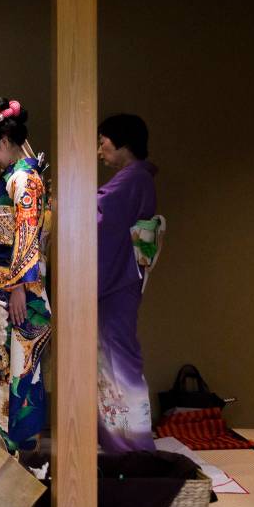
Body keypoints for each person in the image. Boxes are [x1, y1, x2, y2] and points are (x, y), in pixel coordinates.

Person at [0, 98, 52, 452]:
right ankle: (4, 439)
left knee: (19, 365)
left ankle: (18, 443)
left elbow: (27, 233)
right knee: (5, 359)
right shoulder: (14, 175)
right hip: (4, 283)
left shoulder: (24, 178)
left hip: (19, 286)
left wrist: (19, 287)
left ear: (4, 141)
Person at [97, 113, 159, 453]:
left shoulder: (132, 178)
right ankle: (119, 439)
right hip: (121, 277)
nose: (99, 150)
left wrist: (67, 206)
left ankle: (134, 443)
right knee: (112, 356)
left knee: (119, 357)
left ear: (123, 142)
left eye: (104, 142)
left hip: (119, 280)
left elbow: (96, 214)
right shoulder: (134, 178)